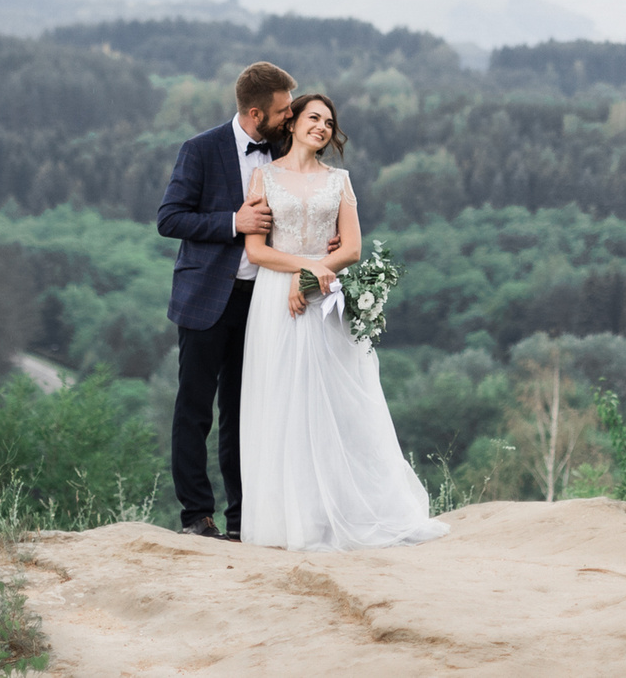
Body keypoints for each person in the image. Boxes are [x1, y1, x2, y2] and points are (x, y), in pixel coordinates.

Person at [237, 93, 449, 551]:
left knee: (334, 402)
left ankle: (344, 513)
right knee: (283, 402)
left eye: (329, 123)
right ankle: (291, 522)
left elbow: (351, 248)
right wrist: (303, 268)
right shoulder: (263, 177)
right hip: (278, 297)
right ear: (292, 124)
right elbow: (255, 250)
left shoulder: (340, 181)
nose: (322, 127)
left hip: (325, 298)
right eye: (314, 118)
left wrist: (315, 275)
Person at [155, 60, 295, 540]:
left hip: (262, 302)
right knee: (194, 409)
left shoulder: (285, 149)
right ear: (256, 114)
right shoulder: (199, 149)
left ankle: (242, 520)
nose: (290, 118)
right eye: (283, 111)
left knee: (243, 412)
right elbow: (170, 218)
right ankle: (197, 515)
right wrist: (232, 223)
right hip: (205, 299)